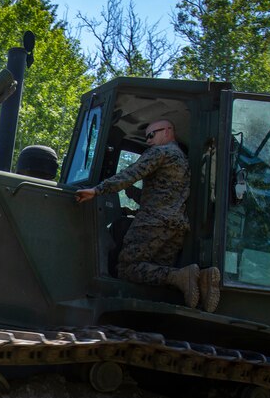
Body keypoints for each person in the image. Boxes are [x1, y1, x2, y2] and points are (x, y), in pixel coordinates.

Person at [75, 119, 220, 312]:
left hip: (151, 224)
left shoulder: (161, 152)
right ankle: (203, 277)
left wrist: (97, 190)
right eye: (147, 137)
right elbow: (165, 195)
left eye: (152, 135)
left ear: (168, 131)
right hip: (175, 228)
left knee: (128, 269)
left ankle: (181, 276)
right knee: (155, 276)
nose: (149, 141)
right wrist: (133, 200)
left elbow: (131, 173)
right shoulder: (182, 159)